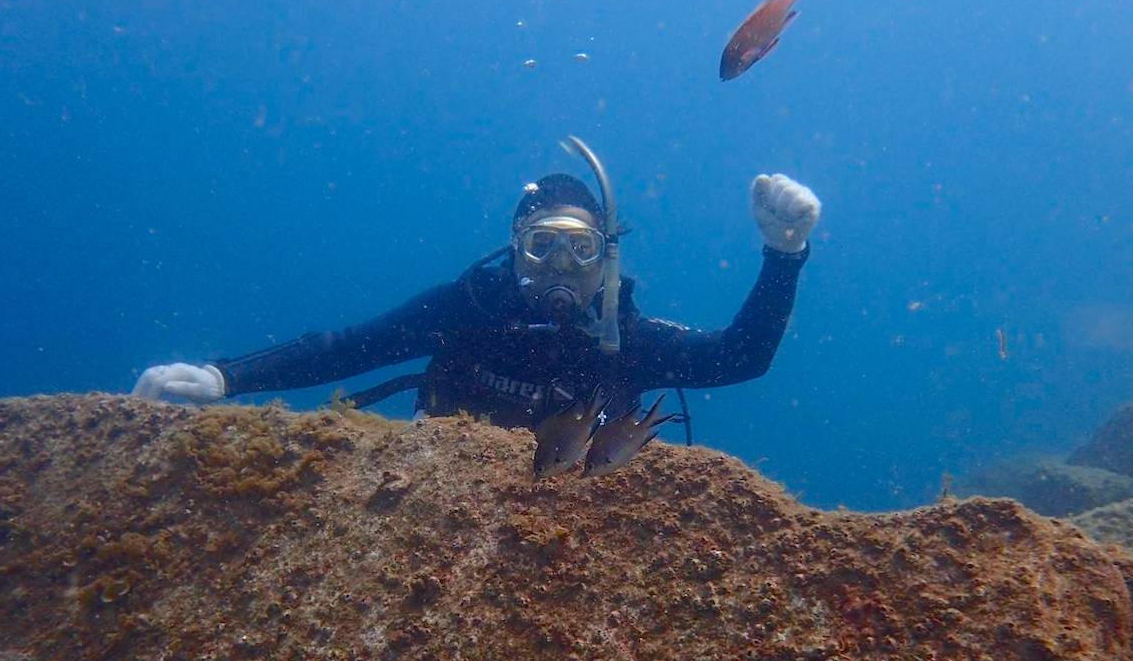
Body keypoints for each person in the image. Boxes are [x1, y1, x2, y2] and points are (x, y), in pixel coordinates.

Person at [132, 138, 821, 438]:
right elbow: (343, 349)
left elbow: (742, 357)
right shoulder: (465, 310)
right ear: (513, 254)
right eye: (541, 245)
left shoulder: (624, 339)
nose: (559, 266)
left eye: (579, 248)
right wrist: (224, 378)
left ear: (605, 260)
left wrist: (783, 254)